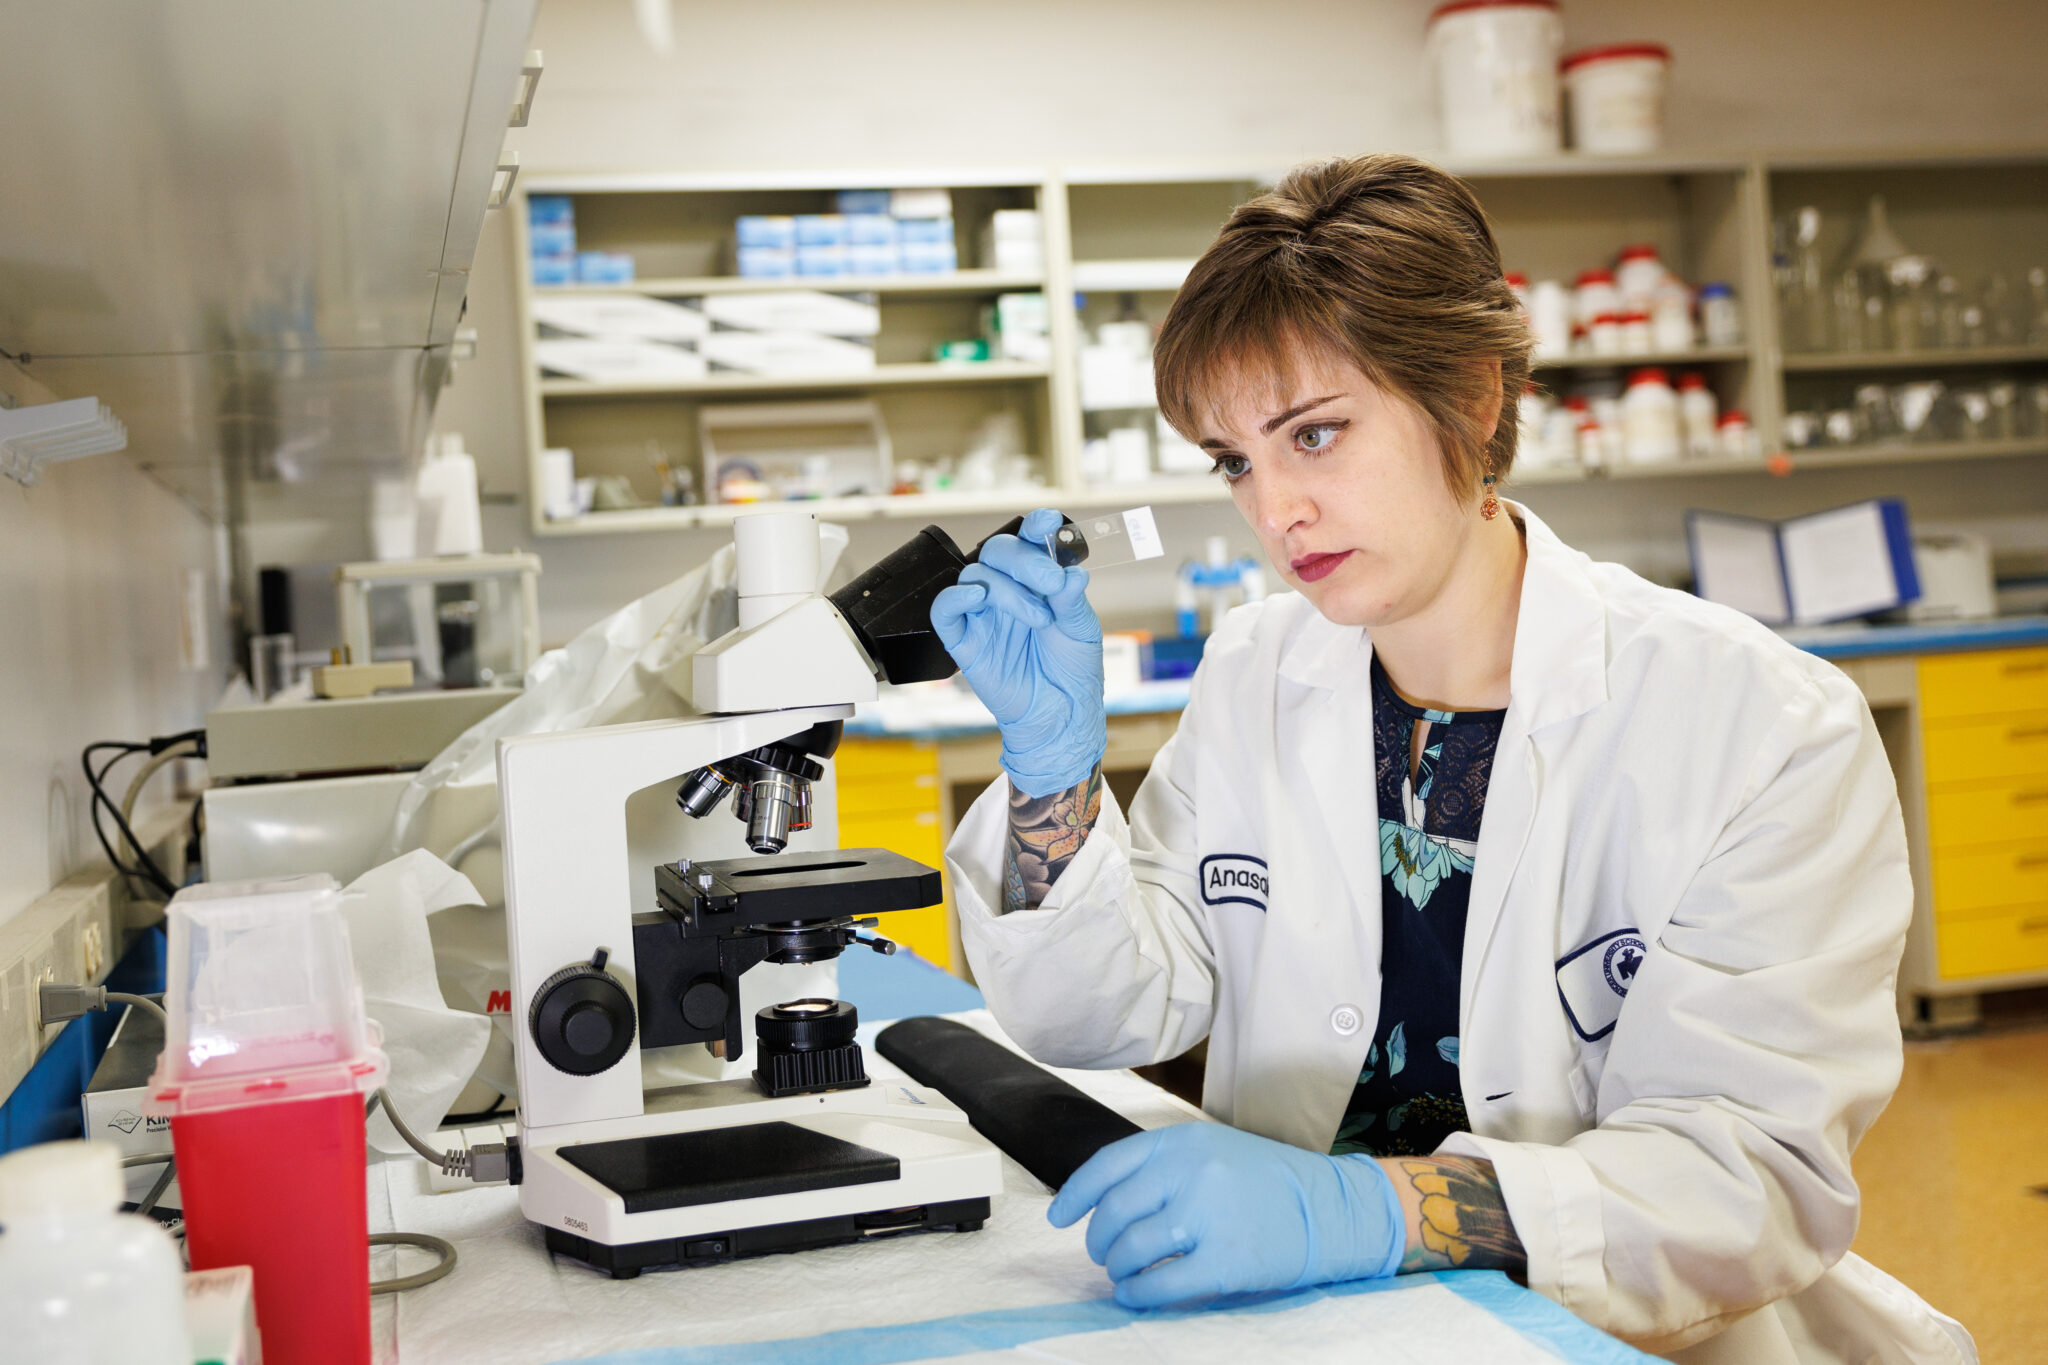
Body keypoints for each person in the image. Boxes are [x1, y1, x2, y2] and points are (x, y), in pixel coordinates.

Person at [928, 155, 1974, 1365]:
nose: (1274, 513)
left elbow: (1744, 1184)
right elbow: (1100, 1008)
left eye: (1313, 435)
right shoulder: (1255, 671)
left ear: (1473, 397)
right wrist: (1053, 771)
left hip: (1613, 1338)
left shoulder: (1762, 729)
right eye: (1234, 462)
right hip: (1298, 1330)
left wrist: (1365, 1209)